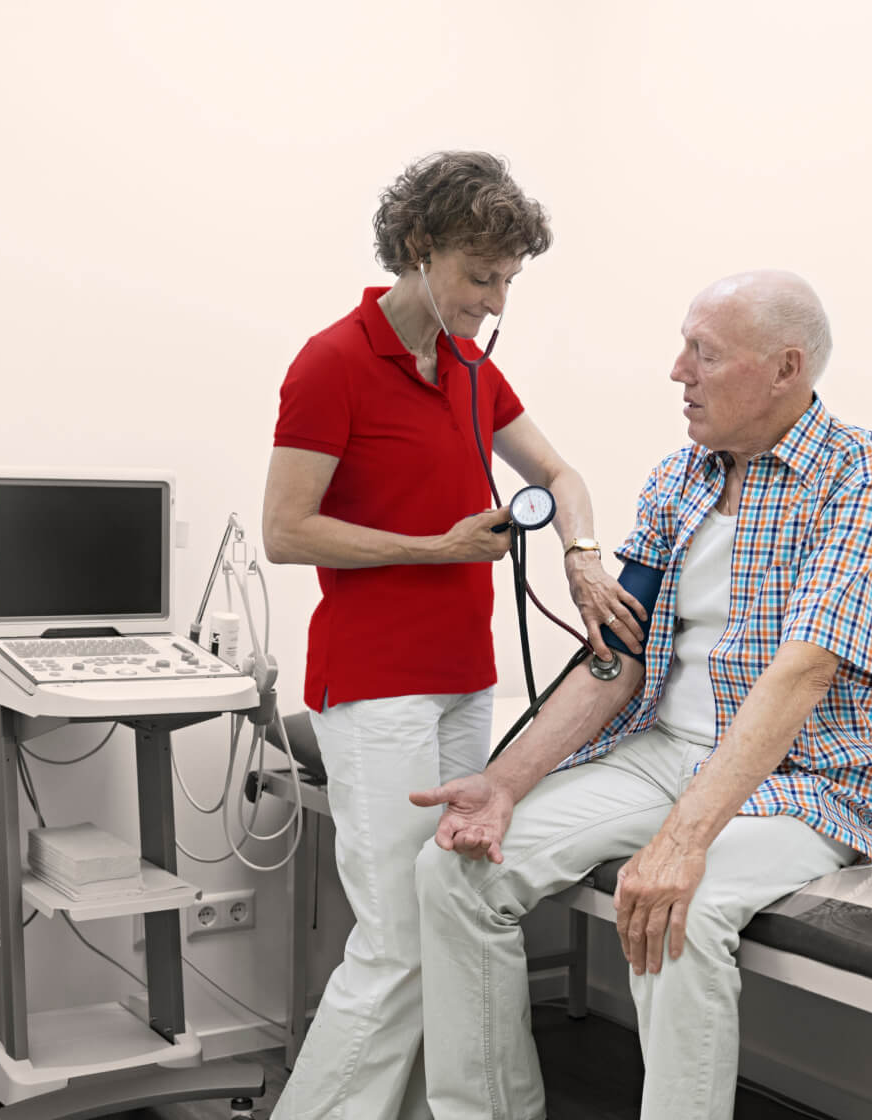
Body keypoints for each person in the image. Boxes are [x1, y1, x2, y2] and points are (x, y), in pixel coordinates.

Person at [411, 270, 872, 1120]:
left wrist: (683, 843)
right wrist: (504, 784)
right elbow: (619, 655)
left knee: (682, 907)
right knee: (453, 870)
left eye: (705, 354)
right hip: (661, 757)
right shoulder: (680, 477)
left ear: (786, 368)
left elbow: (802, 673)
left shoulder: (863, 479)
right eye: (685, 348)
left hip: (804, 780)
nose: (678, 371)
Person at [261, 151, 641, 1120]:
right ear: (420, 247)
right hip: (375, 681)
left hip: (467, 678)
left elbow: (560, 474)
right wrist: (436, 549)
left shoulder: (472, 368)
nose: (494, 299)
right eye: (481, 275)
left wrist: (582, 555)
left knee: (445, 925)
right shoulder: (333, 362)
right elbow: (286, 529)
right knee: (397, 942)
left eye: (508, 279)